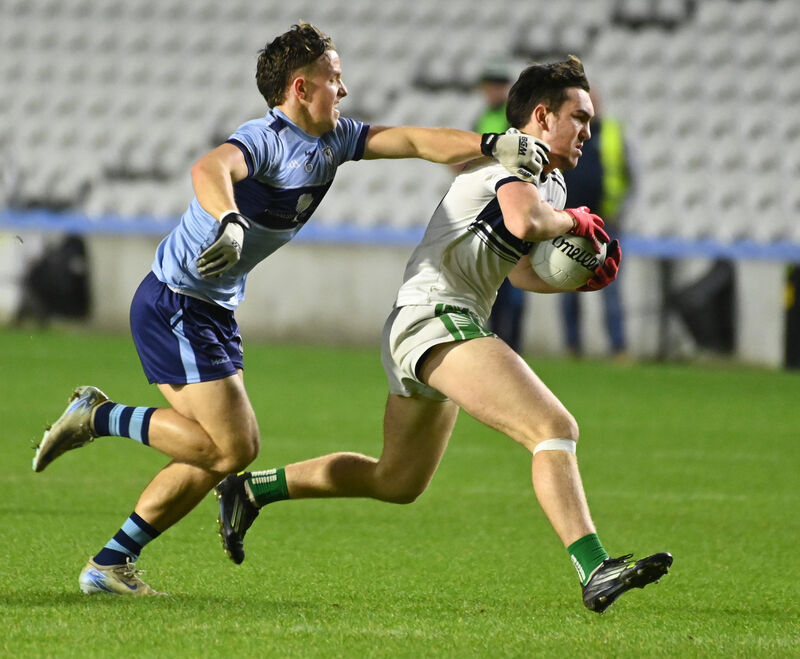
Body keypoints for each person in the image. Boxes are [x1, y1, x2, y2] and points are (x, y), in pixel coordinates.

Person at [31, 22, 549, 596]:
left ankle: (110, 563)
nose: (344, 89)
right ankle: (99, 417)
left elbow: (411, 140)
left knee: (216, 451)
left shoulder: (334, 138)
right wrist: (229, 219)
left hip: (213, 309)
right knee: (233, 447)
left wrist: (490, 145)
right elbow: (209, 168)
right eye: (334, 78)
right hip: (176, 302)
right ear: (301, 88)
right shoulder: (267, 139)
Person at [214, 55, 673, 614]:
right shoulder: (517, 162)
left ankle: (251, 489)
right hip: (438, 315)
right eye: (579, 118)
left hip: (427, 321)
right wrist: (578, 221)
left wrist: (578, 278)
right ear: (541, 117)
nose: (587, 132)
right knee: (554, 428)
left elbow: (518, 269)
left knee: (397, 480)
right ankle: (595, 568)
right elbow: (526, 223)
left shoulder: (548, 183)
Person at [560, 88, 635, 358]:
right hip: (570, 222)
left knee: (609, 286)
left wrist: (618, 209)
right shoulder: (564, 134)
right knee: (567, 284)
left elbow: (630, 176)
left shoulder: (612, 132)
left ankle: (618, 348)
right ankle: (572, 346)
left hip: (605, 222)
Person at [473, 57, 526, 353]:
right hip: (490, 213)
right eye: (490, 85)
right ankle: (495, 345)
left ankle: (513, 347)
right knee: (492, 287)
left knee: (514, 287)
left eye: (499, 85)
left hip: (511, 209)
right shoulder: (482, 119)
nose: (494, 90)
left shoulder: (514, 121)